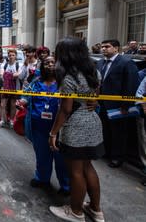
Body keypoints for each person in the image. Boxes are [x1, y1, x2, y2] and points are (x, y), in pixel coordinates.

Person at [48, 37, 105, 222]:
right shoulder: (93, 72)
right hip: (92, 122)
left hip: (76, 125)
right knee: (87, 166)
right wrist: (92, 99)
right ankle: (96, 210)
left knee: (76, 171)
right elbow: (94, 97)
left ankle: (76, 212)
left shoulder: (68, 77)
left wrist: (53, 133)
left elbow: (65, 109)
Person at [21, 56, 69, 194]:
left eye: (53, 62)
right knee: (42, 154)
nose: (49, 65)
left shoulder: (63, 83)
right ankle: (42, 178)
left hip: (59, 127)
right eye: (47, 63)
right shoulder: (36, 81)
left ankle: (66, 185)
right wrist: (22, 102)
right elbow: (26, 95)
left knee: (60, 158)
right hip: (38, 125)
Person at [97, 39, 139, 168]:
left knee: (118, 132)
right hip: (101, 103)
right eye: (102, 47)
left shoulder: (126, 62)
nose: (103, 49)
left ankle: (117, 157)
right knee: (104, 129)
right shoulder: (99, 63)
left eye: (107, 47)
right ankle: (106, 152)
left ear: (116, 48)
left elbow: (131, 84)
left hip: (118, 105)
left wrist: (126, 105)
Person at [0, 48, 21, 128]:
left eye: (13, 55)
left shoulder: (18, 65)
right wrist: (12, 75)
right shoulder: (4, 65)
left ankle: (11, 120)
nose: (11, 57)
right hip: (5, 87)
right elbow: (2, 74)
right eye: (10, 55)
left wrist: (7, 74)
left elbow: (18, 75)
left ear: (16, 56)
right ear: (7, 56)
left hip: (14, 88)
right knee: (2, 104)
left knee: (13, 105)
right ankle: (2, 120)